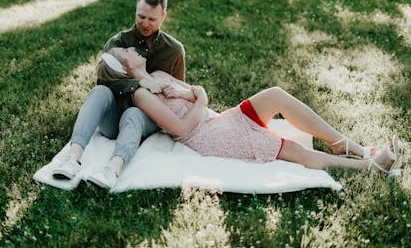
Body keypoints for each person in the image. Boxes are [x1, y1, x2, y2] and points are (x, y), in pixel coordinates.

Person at [96, 47, 401, 177]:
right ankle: (369, 168)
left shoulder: (161, 76)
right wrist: (198, 99)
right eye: (126, 51)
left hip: (220, 118)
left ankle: (347, 145)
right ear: (124, 66)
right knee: (291, 149)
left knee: (276, 95)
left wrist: (192, 93)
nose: (133, 48)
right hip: (209, 136)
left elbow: (197, 91)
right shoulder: (142, 95)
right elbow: (181, 128)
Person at [52, 0, 185, 188]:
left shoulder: (174, 50)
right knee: (99, 91)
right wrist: (144, 84)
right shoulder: (119, 42)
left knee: (133, 113)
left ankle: (112, 170)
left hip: (146, 118)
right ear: (135, 11)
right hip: (114, 117)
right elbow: (105, 78)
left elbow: (176, 92)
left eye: (152, 19)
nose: (145, 23)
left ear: (163, 17)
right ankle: (72, 158)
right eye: (141, 17)